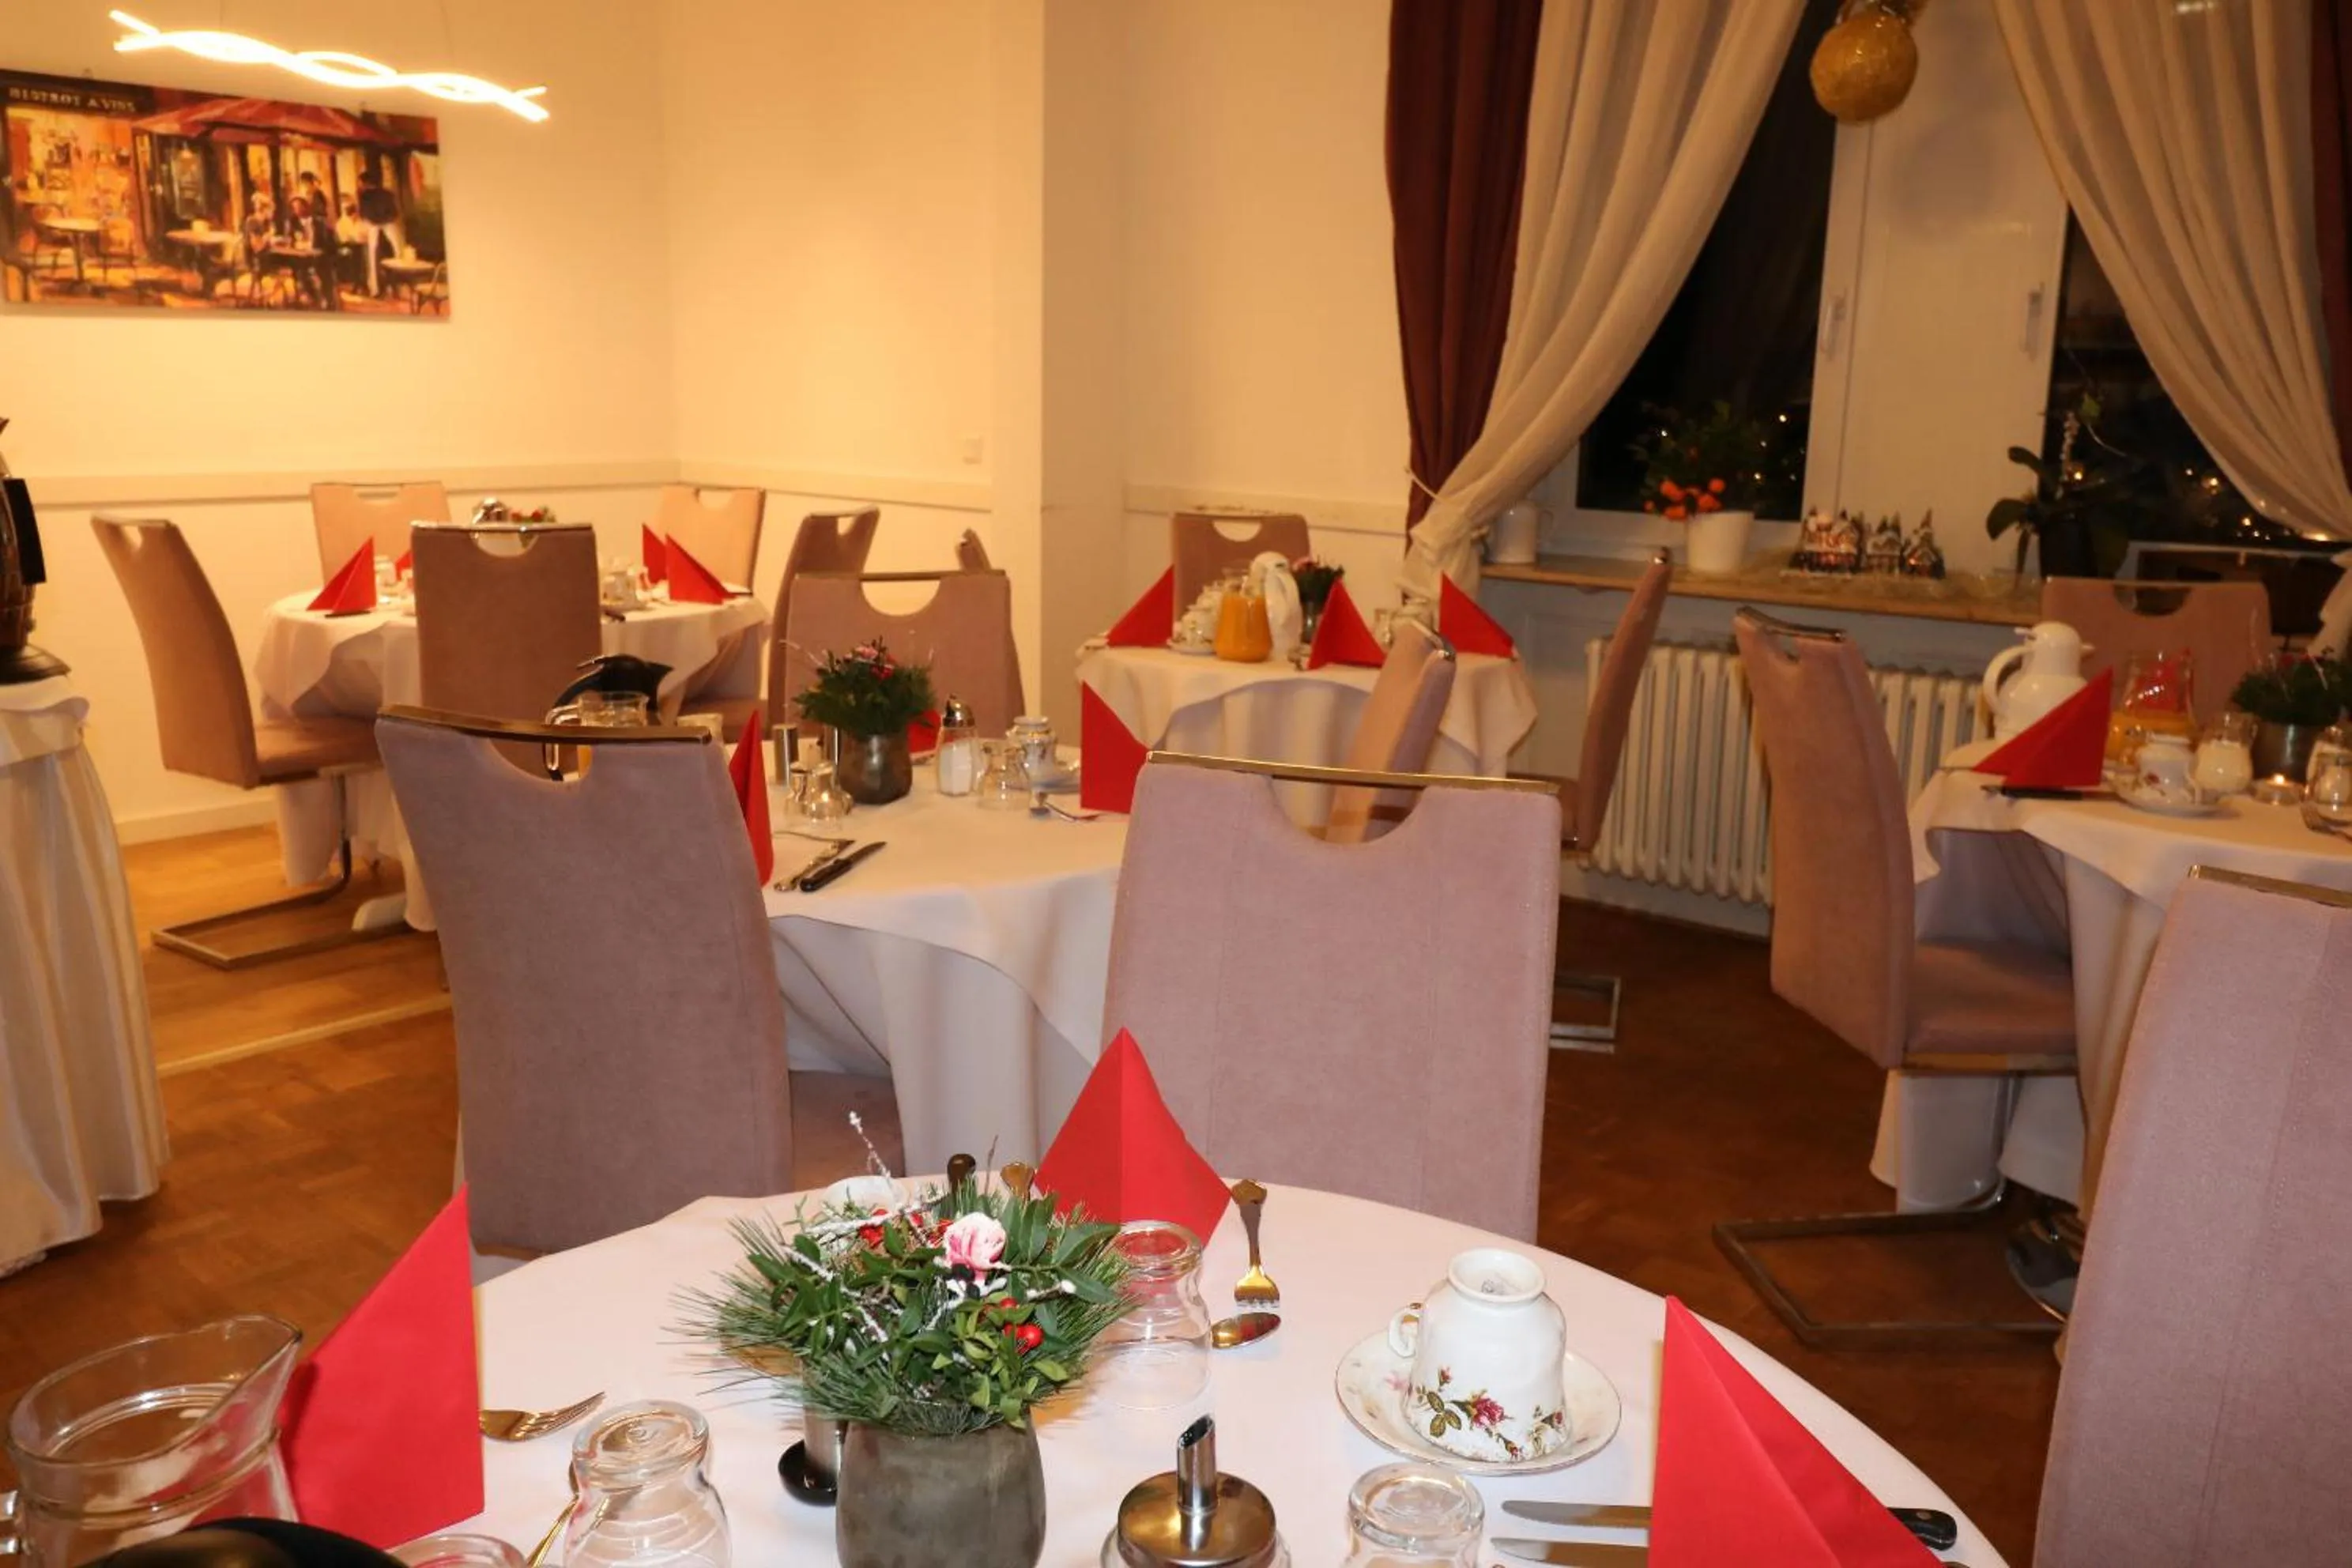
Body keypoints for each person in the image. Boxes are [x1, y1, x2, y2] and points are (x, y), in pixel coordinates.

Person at [356, 168, 402, 296]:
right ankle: (395, 288)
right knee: (398, 255)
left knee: (373, 258)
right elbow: (394, 213)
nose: (359, 185)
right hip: (387, 226)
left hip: (375, 227)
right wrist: (385, 220)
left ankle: (375, 289)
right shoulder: (387, 194)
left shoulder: (364, 196)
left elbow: (364, 215)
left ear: (365, 183)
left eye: (360, 182)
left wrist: (375, 222)